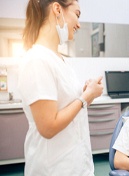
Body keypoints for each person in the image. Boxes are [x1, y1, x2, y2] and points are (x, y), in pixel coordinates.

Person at [17, 0, 103, 175]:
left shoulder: (61, 60)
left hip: (77, 164)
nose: (79, 24)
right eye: (77, 15)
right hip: (54, 168)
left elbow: (68, 107)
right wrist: (85, 98)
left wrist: (87, 95)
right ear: (57, 9)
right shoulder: (37, 60)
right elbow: (48, 127)